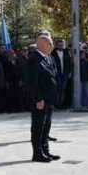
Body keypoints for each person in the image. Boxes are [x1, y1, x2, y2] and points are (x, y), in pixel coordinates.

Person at [27, 33, 60, 163]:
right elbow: (32, 82)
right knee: (38, 126)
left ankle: (45, 150)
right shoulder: (33, 59)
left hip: (49, 98)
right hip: (40, 100)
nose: (52, 46)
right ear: (42, 45)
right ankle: (37, 153)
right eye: (49, 44)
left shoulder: (47, 57)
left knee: (46, 125)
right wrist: (38, 99)